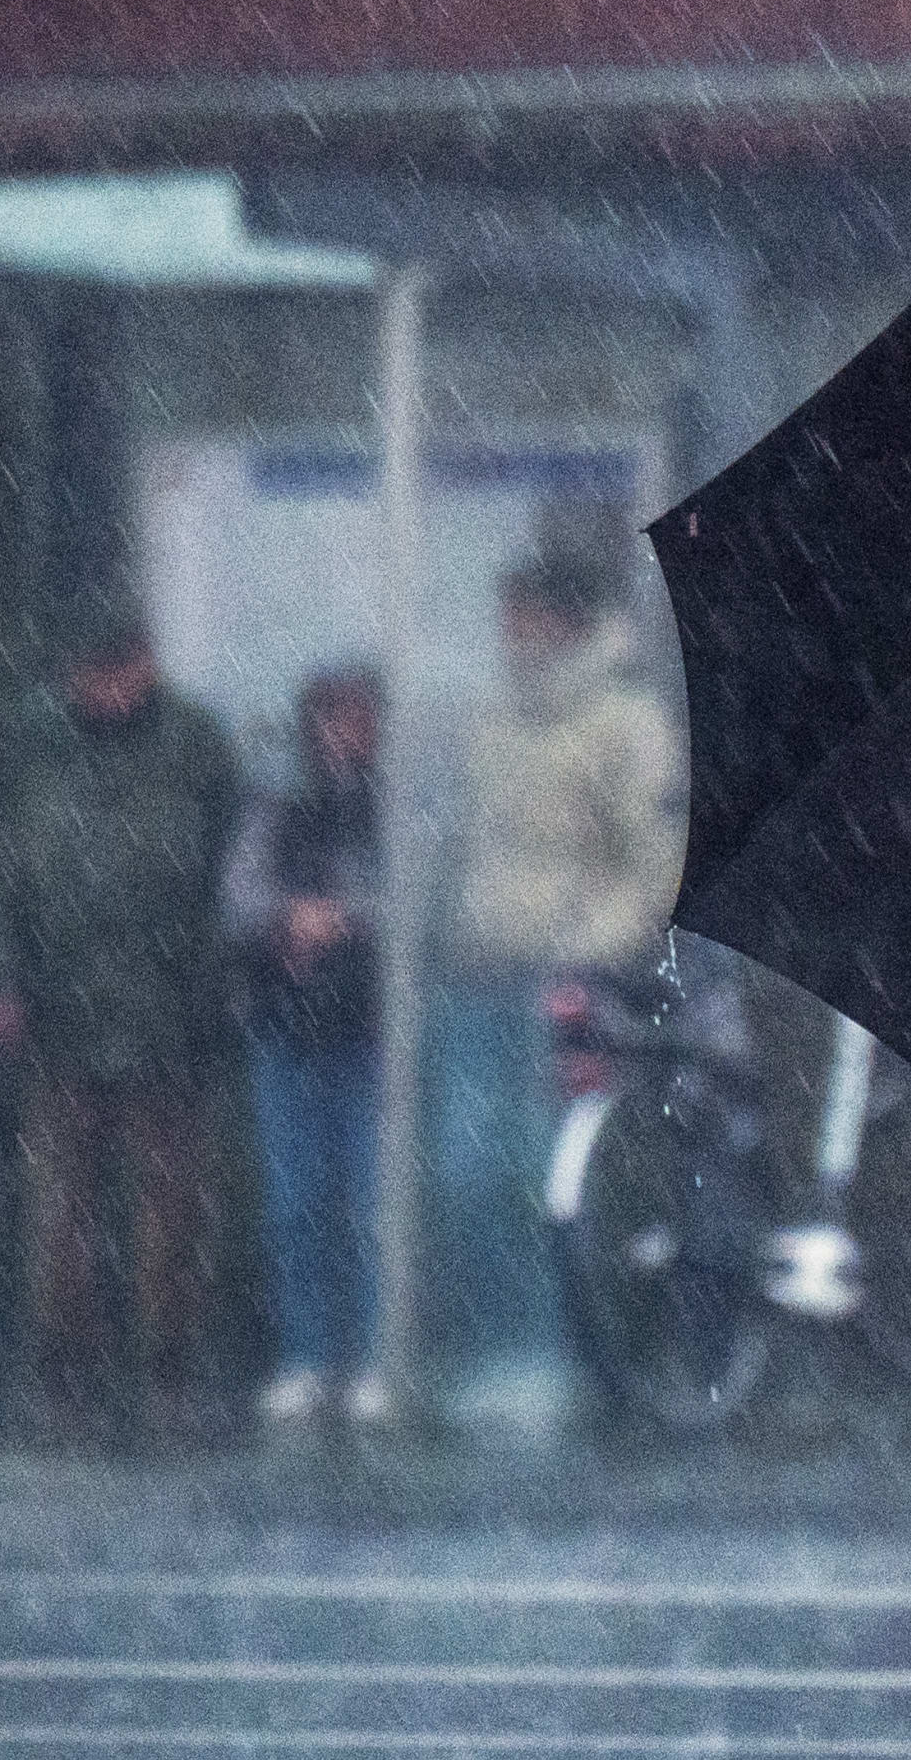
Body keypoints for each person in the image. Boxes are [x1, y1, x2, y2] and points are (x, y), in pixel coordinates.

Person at [0, 602, 244, 1449]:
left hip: (169, 1012)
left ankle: (169, 1365)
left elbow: (223, 874)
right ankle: (68, 1369)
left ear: (140, 667)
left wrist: (208, 979)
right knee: (62, 1204)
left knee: (170, 1207)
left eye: (109, 672)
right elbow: (7, 873)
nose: (95, 690)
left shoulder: (197, 747)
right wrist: (7, 979)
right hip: (65, 1009)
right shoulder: (40, 746)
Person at [436, 541, 683, 1393]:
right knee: (468, 1174)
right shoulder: (490, 717)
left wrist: (587, 947)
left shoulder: (627, 720)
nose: (509, 634)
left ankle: (550, 1359)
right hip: (479, 978)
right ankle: (488, 1351)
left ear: (565, 622)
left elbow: (653, 864)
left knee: (549, 1173)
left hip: (568, 982)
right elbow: (462, 842)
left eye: (524, 617)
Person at [223, 664, 387, 1428]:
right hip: (287, 1023)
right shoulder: (277, 801)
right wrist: (288, 919)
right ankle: (307, 1355)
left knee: (368, 1197)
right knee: (297, 1201)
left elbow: (414, 897)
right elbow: (238, 900)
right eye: (330, 717)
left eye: (356, 716)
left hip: (367, 1027)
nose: (342, 733)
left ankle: (376, 1356)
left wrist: (345, 918)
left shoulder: (391, 802)